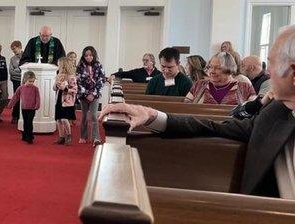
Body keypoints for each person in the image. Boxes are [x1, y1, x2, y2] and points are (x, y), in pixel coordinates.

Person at [98, 25, 295, 198]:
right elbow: (217, 127)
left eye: (272, 64)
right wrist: (152, 116)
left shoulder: (249, 90)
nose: (267, 72)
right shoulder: (274, 113)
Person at [184, 52, 256, 105]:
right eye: (210, 67)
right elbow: (186, 106)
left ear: (229, 69)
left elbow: (252, 110)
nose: (212, 71)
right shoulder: (199, 85)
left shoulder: (245, 87)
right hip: (201, 124)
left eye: (218, 68)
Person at [76, 46, 105, 146]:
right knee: (84, 116)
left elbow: (101, 81)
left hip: (95, 95)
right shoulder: (80, 66)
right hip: (83, 95)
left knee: (93, 115)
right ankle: (83, 136)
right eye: (86, 55)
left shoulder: (98, 66)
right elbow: (78, 81)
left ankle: (96, 137)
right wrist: (86, 93)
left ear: (94, 55)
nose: (88, 57)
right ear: (84, 56)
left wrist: (93, 94)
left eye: (90, 55)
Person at [7, 71, 40, 144]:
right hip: (24, 108)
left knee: (29, 122)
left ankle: (30, 137)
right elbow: (15, 97)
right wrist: (10, 105)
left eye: (33, 81)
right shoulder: (20, 88)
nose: (31, 83)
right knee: (25, 122)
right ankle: (25, 135)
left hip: (32, 108)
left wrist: (37, 105)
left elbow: (38, 98)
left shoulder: (35, 88)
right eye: (30, 81)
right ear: (25, 80)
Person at [53, 57, 78, 146]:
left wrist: (65, 89)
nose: (58, 66)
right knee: (58, 119)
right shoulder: (58, 75)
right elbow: (54, 88)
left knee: (64, 119)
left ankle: (68, 135)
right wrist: (56, 85)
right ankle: (61, 137)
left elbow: (75, 90)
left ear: (64, 65)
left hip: (67, 101)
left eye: (59, 64)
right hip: (58, 99)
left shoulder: (71, 77)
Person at [9, 40, 23, 124]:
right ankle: (15, 116)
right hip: (15, 81)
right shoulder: (12, 59)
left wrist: (17, 69)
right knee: (16, 98)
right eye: (12, 49)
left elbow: (24, 69)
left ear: (20, 47)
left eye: (14, 49)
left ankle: (22, 116)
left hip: (23, 80)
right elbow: (10, 71)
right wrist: (19, 70)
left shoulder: (25, 56)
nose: (13, 51)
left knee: (24, 99)